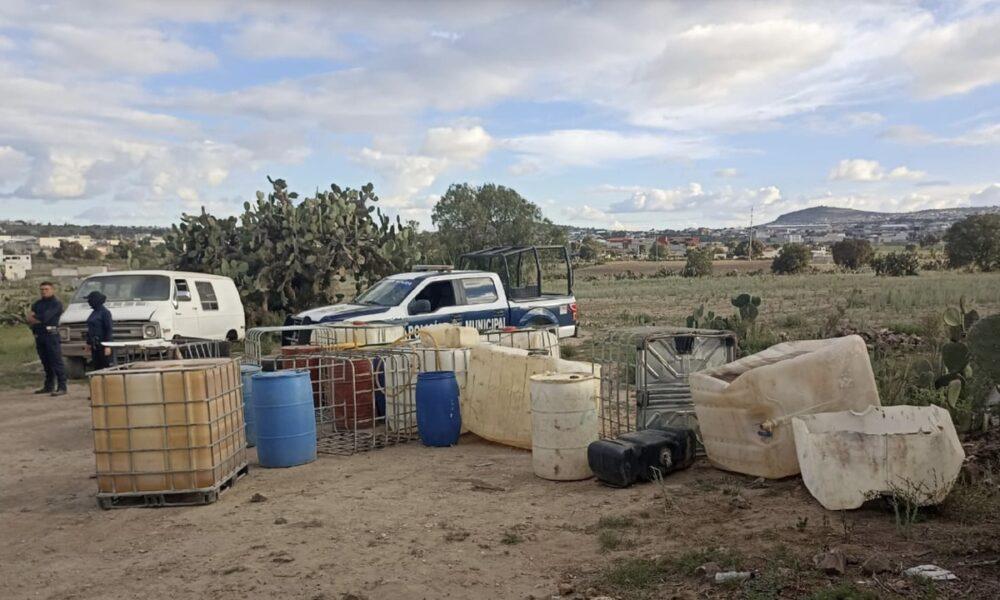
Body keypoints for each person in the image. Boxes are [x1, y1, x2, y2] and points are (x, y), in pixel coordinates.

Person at [26, 281, 67, 396]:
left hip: (51, 335)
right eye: (42, 289)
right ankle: (49, 385)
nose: (44, 291)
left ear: (52, 290)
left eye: (46, 289)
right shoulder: (37, 304)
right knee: (45, 361)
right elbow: (29, 318)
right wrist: (36, 319)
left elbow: (46, 318)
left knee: (56, 361)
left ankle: (62, 386)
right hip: (40, 335)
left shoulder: (56, 304)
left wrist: (37, 318)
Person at [85, 290, 114, 371]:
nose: (88, 302)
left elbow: (108, 329)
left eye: (90, 300)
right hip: (95, 345)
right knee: (97, 367)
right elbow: (90, 329)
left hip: (103, 344)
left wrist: (108, 346)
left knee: (106, 367)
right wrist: (88, 343)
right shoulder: (94, 313)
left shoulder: (105, 313)